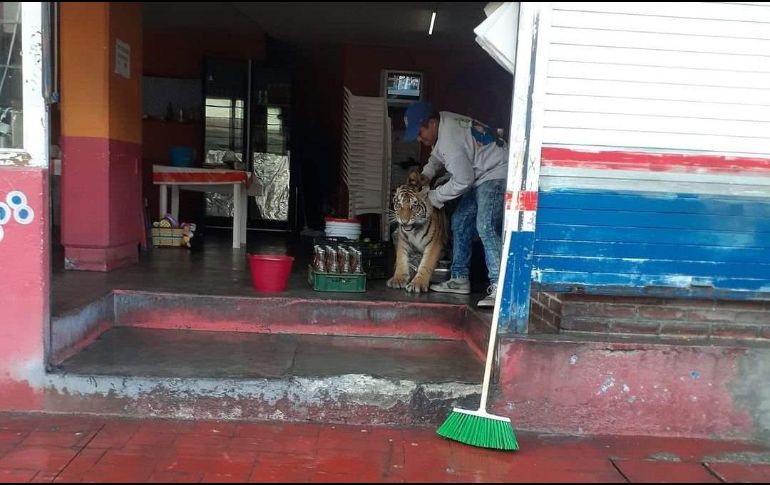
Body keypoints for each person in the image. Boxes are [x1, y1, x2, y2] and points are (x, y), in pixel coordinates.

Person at [402, 101, 508, 308]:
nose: (418, 138)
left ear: (432, 124)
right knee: (460, 221)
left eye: (420, 131)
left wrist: (433, 197)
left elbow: (463, 180)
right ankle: (459, 278)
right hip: (480, 174)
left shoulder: (450, 139)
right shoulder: (444, 121)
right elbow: (436, 156)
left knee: (485, 225)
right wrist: (426, 175)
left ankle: (500, 287)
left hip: (496, 173)